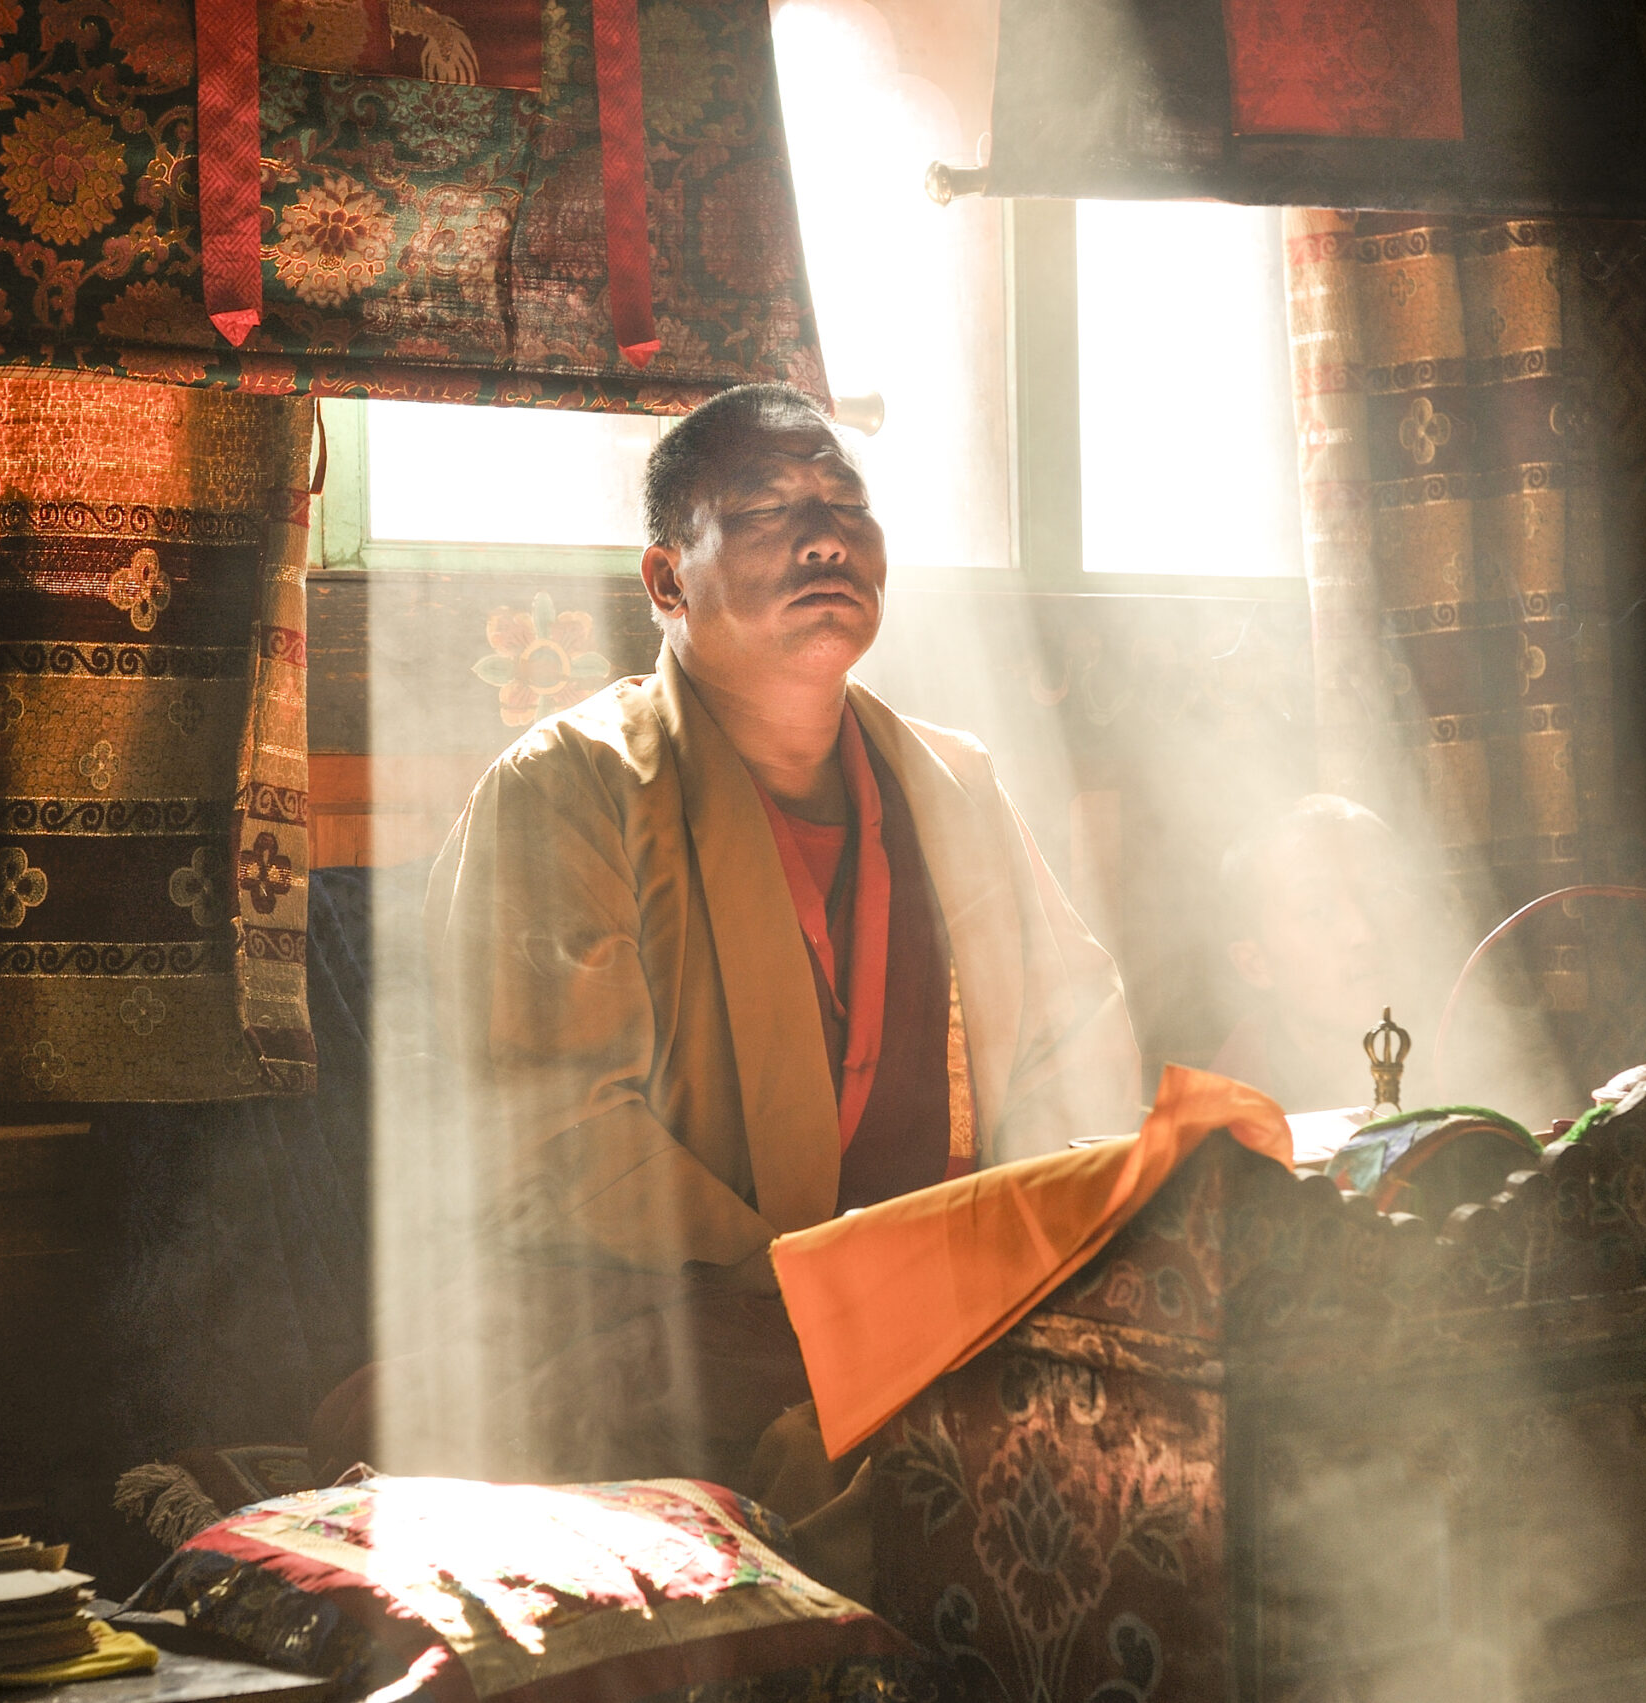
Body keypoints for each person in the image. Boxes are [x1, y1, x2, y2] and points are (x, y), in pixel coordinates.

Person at [406, 383, 1141, 1493]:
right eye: (762, 511)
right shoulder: (570, 787)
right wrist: (835, 1294)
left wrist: (1019, 1255)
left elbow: (1069, 1042)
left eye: (845, 505)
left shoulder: (953, 782)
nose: (822, 538)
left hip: (943, 1308)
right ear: (666, 579)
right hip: (682, 1319)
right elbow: (556, 1133)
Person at [1209, 794, 1424, 1112]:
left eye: (1383, 892)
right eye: (1318, 909)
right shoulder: (1216, 1128)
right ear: (1256, 965)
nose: (1365, 932)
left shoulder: (1493, 1058)